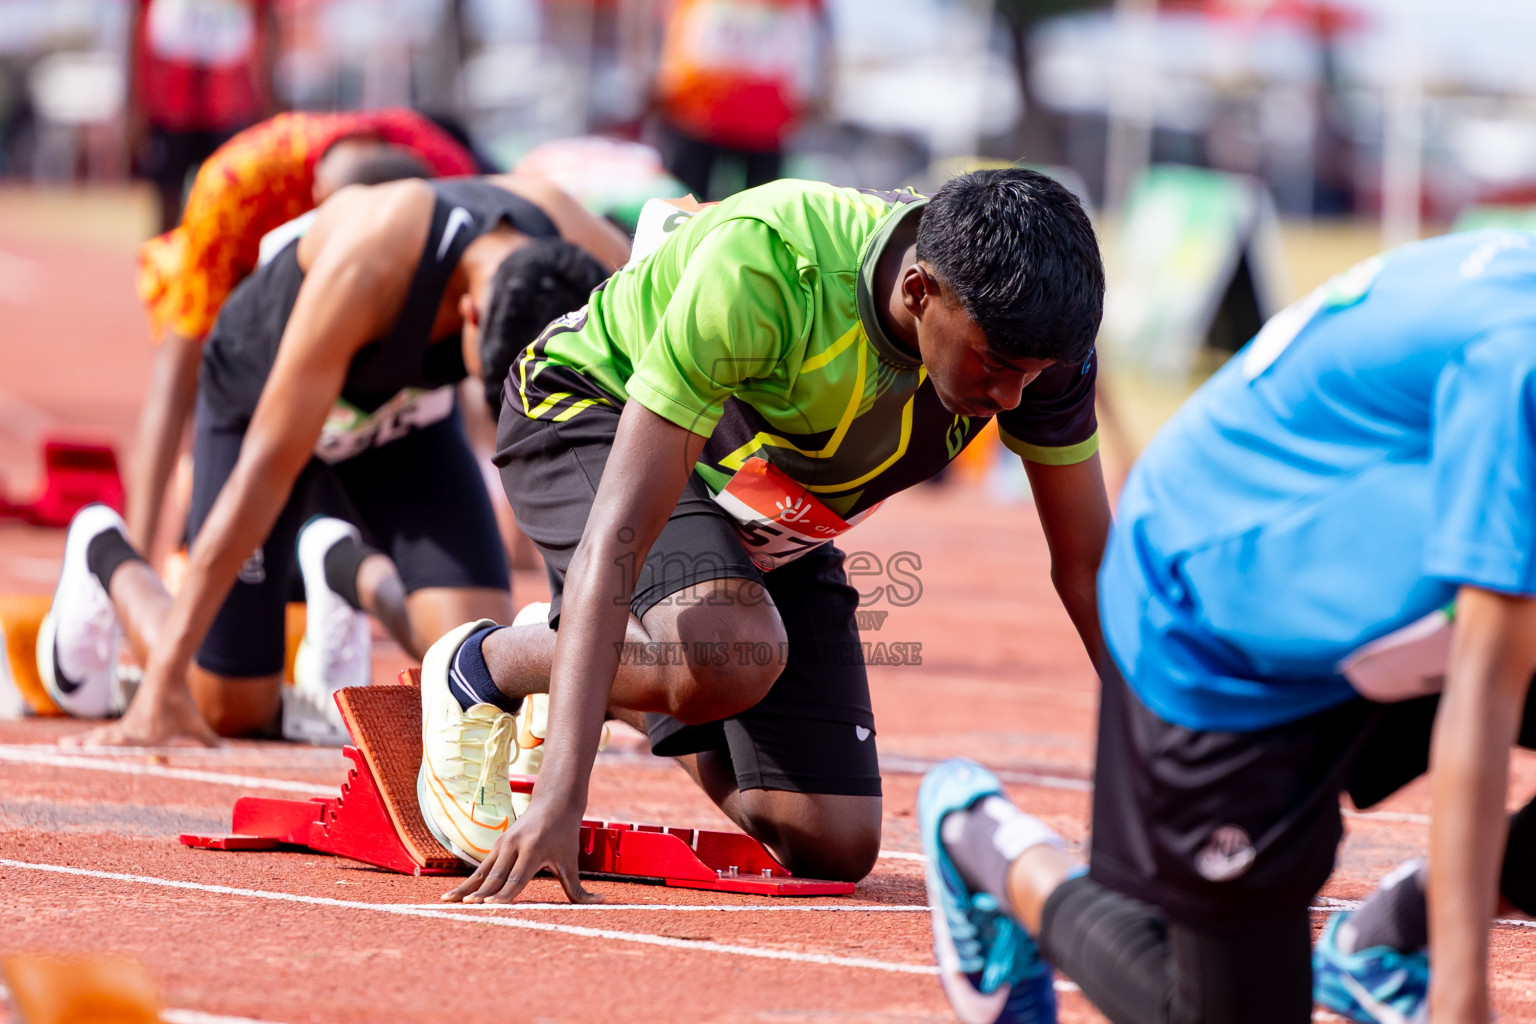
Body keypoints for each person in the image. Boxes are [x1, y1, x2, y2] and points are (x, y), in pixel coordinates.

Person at [410, 169, 1110, 899]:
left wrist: (1160, 783)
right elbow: (617, 531)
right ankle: (486, 663)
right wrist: (561, 794)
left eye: (1032, 376)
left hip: (762, 495)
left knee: (831, 841)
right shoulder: (769, 264)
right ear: (918, 291)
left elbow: (1090, 569)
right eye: (996, 366)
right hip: (597, 413)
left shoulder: (1035, 346)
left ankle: (597, 665)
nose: (1010, 400)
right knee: (729, 651)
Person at [920, 230, 1536, 1024]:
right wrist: (1462, 994)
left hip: (1369, 588)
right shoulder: (1514, 365)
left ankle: (1386, 940)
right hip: (1211, 612)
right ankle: (988, 849)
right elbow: (1484, 692)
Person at [39, 174, 632, 747]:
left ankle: (342, 568)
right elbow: (264, 473)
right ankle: (103, 552)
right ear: (472, 313)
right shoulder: (371, 260)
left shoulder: (579, 244)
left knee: (473, 643)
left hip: (398, 416)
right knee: (229, 704)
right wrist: (160, 689)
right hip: (265, 404)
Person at [129, 108, 482, 560]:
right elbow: (177, 378)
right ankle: (197, 506)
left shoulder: (444, 173)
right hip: (244, 284)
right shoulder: (236, 188)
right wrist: (137, 551)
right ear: (320, 198)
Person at [650, 0, 830, 199]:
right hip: (697, 113)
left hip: (765, 123)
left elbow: (819, 30)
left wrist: (819, 91)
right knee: (684, 210)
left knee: (759, 216)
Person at [128, 0, 279, 235]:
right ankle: (163, 270)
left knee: (230, 206)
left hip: (230, 106)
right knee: (168, 205)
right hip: (170, 103)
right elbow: (137, 21)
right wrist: (135, 105)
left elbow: (267, 21)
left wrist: (268, 99)